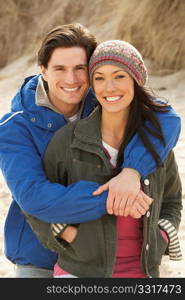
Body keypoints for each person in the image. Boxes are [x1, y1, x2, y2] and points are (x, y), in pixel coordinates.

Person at [0, 24, 181, 278]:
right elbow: (33, 196)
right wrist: (113, 198)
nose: (71, 80)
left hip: (106, 254)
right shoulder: (14, 128)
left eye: (80, 69)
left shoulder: (102, 98)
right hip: (38, 253)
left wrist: (132, 172)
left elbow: (166, 118)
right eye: (59, 69)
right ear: (42, 70)